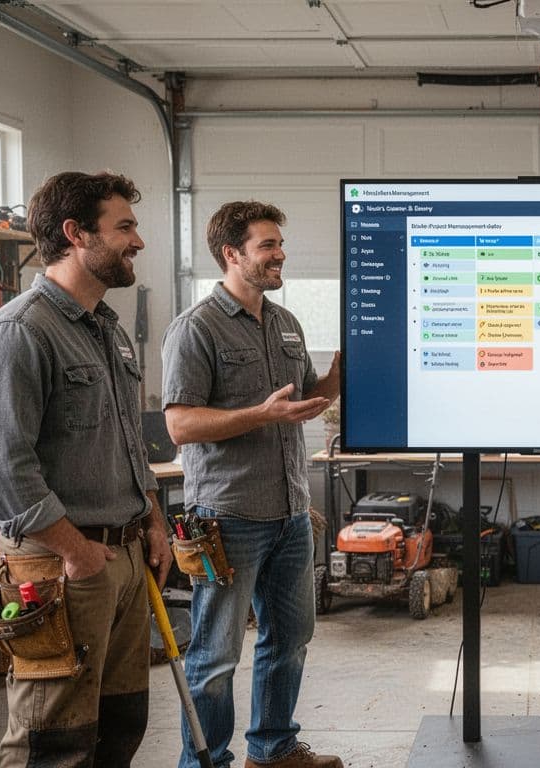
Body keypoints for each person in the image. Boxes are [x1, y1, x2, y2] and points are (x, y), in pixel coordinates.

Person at [0, 170, 171, 767]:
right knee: (53, 744)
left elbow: (130, 445)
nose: (137, 242)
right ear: (75, 233)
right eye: (125, 227)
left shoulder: (106, 331)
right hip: (62, 565)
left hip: (125, 557)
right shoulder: (18, 333)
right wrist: (75, 551)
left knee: (120, 728)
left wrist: (152, 520)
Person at [162, 201, 342, 768]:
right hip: (228, 518)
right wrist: (260, 415)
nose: (280, 254)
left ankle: (273, 750)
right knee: (215, 655)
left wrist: (339, 377)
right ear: (232, 254)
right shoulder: (196, 329)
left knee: (289, 641)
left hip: (291, 512)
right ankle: (206, 762)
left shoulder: (286, 324)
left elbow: (303, 401)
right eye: (268, 245)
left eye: (279, 244)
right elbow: (181, 423)